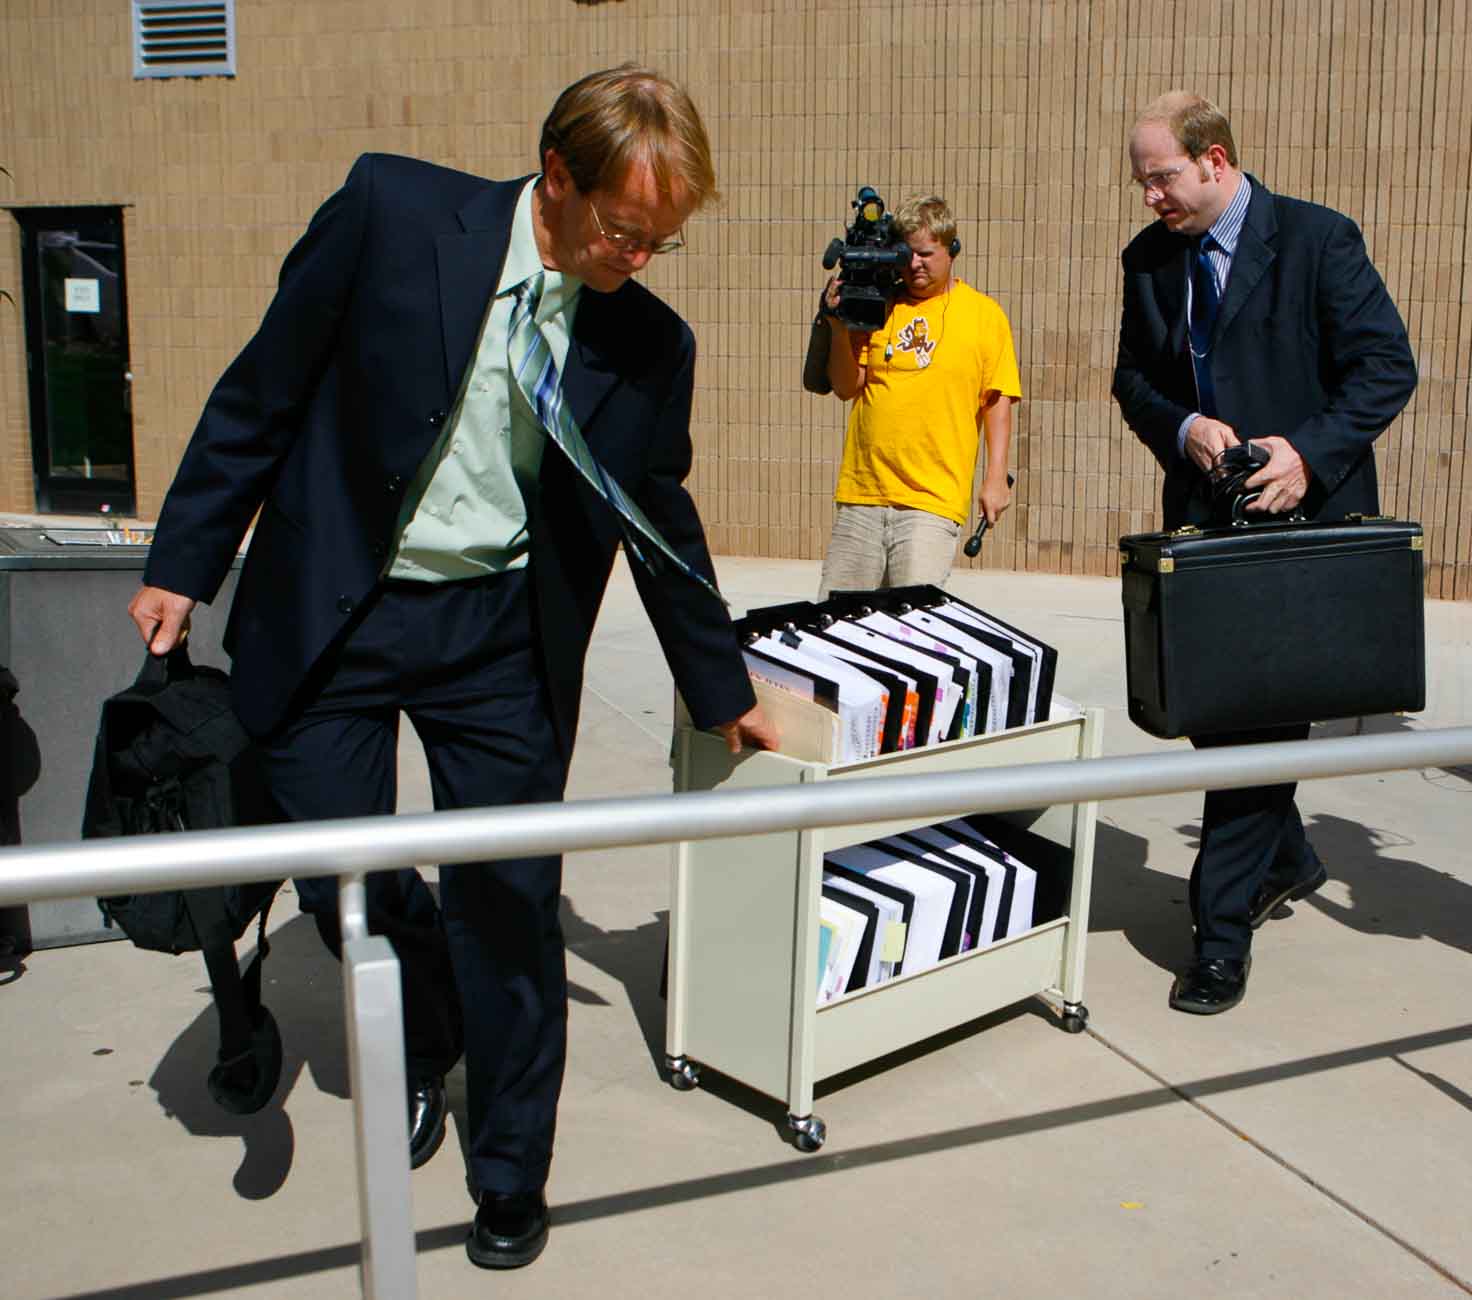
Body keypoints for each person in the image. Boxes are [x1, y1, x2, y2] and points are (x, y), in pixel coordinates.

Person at [127, 66, 776, 1268]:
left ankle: (511, 1168)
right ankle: (424, 1019)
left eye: (662, 241)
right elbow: (262, 390)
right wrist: (186, 557)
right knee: (338, 877)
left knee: (512, 901)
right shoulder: (391, 214)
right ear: (556, 178)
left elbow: (658, 511)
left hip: (500, 638)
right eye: (624, 230)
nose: (639, 257)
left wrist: (722, 683)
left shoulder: (649, 341)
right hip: (341, 610)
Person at [1111, 91, 1417, 1015]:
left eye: (1162, 177)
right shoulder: (1149, 260)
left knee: (1250, 738)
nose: (1151, 197)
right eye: (1143, 182)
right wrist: (1186, 424)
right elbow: (1132, 379)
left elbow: (1385, 367)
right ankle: (1292, 858)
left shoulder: (1319, 240)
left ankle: (1218, 938)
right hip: (1206, 524)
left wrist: (1306, 453)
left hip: (1302, 526)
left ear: (1215, 159)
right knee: (1220, 723)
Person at [817, 195, 1020, 600]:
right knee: (836, 628)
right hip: (863, 496)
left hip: (931, 503)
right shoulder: (878, 305)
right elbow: (845, 387)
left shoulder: (984, 316)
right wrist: (840, 327)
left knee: (910, 628)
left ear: (952, 249)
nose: (914, 265)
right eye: (906, 255)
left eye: (926, 254)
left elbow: (996, 399)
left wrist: (996, 477)